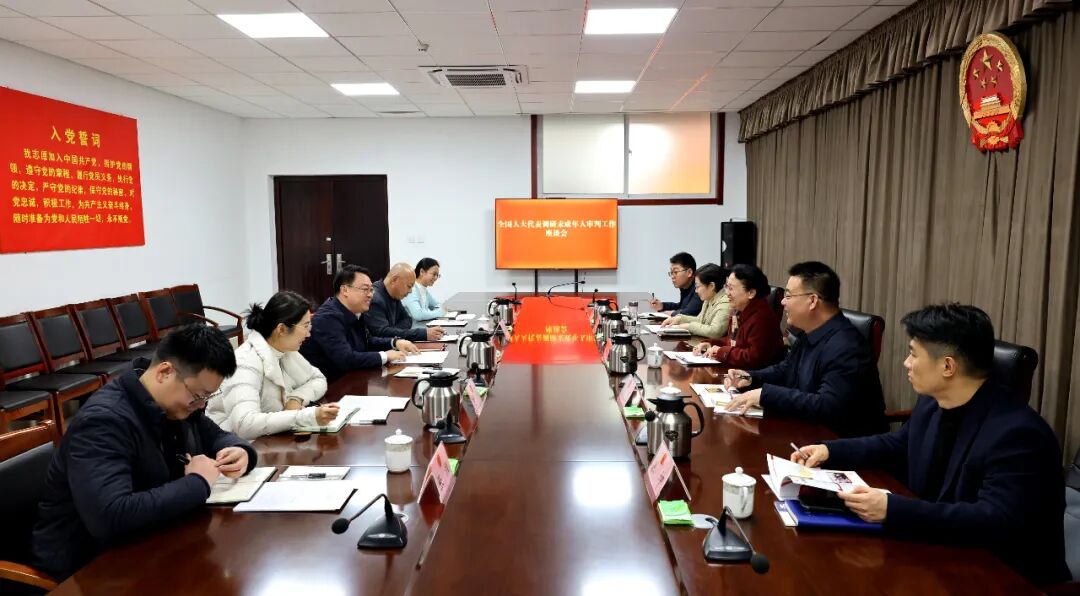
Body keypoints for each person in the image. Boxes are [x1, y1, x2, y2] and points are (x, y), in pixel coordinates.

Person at [791, 304, 1069, 587]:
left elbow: (993, 520)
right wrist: (830, 450)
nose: (906, 363)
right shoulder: (933, 401)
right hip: (940, 552)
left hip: (1003, 577)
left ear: (948, 366)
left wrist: (892, 509)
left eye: (913, 353)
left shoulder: (1019, 434)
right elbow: (898, 444)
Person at [31, 325, 256, 581]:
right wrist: (198, 482)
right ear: (164, 372)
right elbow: (110, 516)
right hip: (89, 569)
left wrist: (241, 451)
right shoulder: (103, 423)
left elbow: (215, 435)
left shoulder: (173, 405)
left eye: (207, 397)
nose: (200, 405)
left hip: (152, 544)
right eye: (197, 396)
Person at [725, 261, 886, 437]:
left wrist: (767, 394)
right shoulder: (809, 333)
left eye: (788, 295)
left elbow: (827, 405)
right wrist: (750, 377)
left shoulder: (846, 346)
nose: (782, 301)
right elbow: (786, 369)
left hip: (839, 442)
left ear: (812, 301)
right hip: (804, 430)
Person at [207, 291, 338, 439]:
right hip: (234, 443)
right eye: (305, 326)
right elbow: (244, 424)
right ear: (281, 329)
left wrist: (296, 398)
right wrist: (305, 416)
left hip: (269, 437)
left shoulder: (284, 349)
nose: (308, 334)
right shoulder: (245, 362)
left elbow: (318, 379)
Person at [301, 265, 420, 383]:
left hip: (350, 379)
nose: (370, 295)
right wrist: (385, 356)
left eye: (371, 289)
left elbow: (367, 341)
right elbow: (346, 359)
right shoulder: (327, 318)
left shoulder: (356, 311)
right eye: (365, 289)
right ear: (345, 290)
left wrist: (394, 342)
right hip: (329, 385)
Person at [694, 264, 785, 369]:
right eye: (726, 287)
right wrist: (711, 344)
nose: (727, 293)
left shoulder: (762, 318)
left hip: (755, 375)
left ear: (751, 293)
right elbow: (732, 342)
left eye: (731, 288)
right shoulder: (737, 310)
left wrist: (721, 351)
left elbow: (753, 358)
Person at [367, 262, 445, 342]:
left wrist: (392, 331)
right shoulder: (374, 299)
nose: (410, 291)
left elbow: (407, 319)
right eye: (409, 286)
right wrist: (423, 334)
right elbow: (381, 333)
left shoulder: (394, 294)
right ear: (394, 280)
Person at [659, 263, 731, 340]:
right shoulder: (709, 298)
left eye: (697, 286)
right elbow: (700, 320)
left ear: (711, 286)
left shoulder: (725, 303)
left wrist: (689, 327)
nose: (696, 291)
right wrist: (680, 319)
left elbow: (715, 332)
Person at [649, 252, 703, 316]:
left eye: (675, 272)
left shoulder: (700, 287)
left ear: (689, 272)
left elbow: (690, 312)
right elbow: (681, 307)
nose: (672, 276)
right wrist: (662, 306)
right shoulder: (685, 288)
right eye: (671, 273)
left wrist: (672, 313)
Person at [403, 257, 446, 322]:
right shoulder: (411, 289)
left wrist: (435, 311)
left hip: (422, 326)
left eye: (437, 275)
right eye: (434, 274)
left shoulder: (423, 289)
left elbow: (437, 305)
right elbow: (418, 315)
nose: (436, 278)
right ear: (422, 272)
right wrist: (440, 312)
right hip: (412, 327)